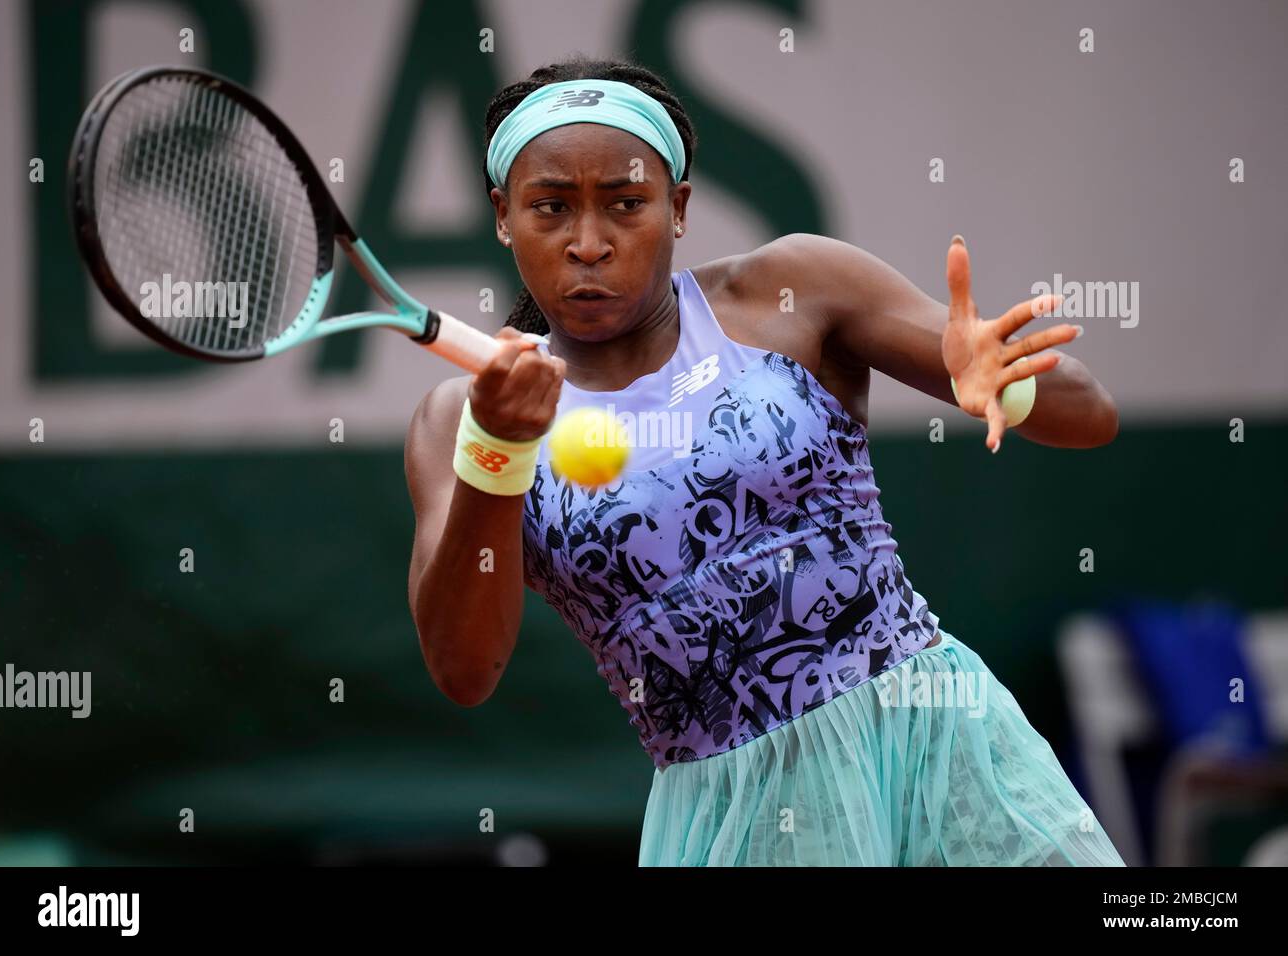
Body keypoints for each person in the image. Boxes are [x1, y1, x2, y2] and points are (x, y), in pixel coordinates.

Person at [405, 56, 1126, 866]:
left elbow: (1091, 415)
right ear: (502, 216)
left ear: (677, 208)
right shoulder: (456, 423)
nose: (589, 243)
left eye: (626, 204)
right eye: (550, 208)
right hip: (743, 823)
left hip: (946, 750)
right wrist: (497, 451)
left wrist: (1001, 379)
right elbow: (464, 670)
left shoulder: (793, 291)